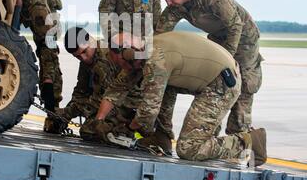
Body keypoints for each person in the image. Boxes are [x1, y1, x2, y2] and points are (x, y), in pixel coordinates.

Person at [93, 31, 267, 166]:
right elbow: (116, 89)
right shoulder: (142, 53)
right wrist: (99, 121)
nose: (123, 68)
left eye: (121, 63)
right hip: (214, 78)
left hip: (221, 84)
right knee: (163, 89)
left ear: (129, 54)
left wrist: (128, 129)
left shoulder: (156, 60)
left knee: (189, 149)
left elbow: (148, 112)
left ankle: (248, 142)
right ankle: (162, 137)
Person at [154, 0, 263, 135]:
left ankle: (241, 138)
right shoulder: (175, 7)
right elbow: (160, 35)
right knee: (213, 81)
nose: (168, 3)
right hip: (219, 38)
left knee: (243, 86)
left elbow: (235, 26)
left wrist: (227, 58)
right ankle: (209, 133)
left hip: (244, 40)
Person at [59, 27, 140, 138]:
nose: (83, 58)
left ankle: (124, 130)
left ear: (90, 40)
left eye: (84, 51)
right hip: (109, 101)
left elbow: (104, 98)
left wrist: (68, 112)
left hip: (125, 102)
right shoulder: (87, 61)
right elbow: (81, 92)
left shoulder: (104, 59)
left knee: (90, 131)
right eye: (77, 56)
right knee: (89, 130)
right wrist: (63, 117)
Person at [16, 0, 63, 133]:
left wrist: (48, 83)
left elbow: (49, 49)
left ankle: (53, 112)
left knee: (49, 55)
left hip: (43, 6)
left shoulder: (41, 13)